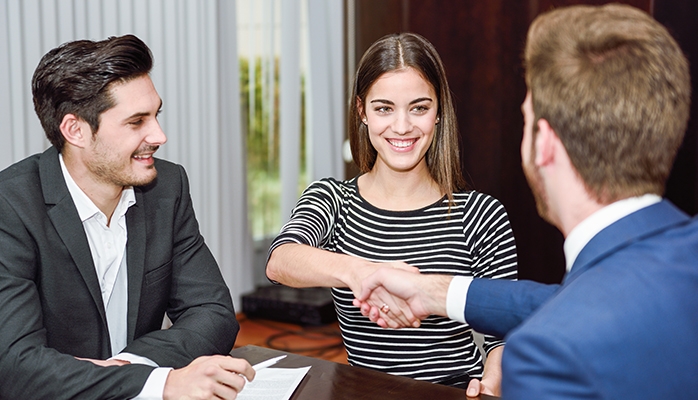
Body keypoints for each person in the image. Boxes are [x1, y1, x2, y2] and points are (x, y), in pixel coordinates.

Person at [355, 4, 698, 399]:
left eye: (525, 118)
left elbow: (582, 308)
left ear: (545, 144)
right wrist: (434, 292)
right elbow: (579, 299)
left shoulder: (548, 354)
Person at [0, 35, 254, 399]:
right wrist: (161, 383)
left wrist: (132, 366)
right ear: (75, 130)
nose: (159, 135)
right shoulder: (10, 206)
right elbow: (15, 365)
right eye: (137, 122)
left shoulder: (168, 186)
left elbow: (212, 312)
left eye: (156, 115)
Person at [265, 32, 517, 391]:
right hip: (363, 388)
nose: (402, 127)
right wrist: (365, 273)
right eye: (384, 108)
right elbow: (281, 260)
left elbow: (504, 334)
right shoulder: (333, 199)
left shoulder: (481, 213)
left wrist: (492, 383)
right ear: (361, 111)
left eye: (419, 107)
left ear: (439, 111)